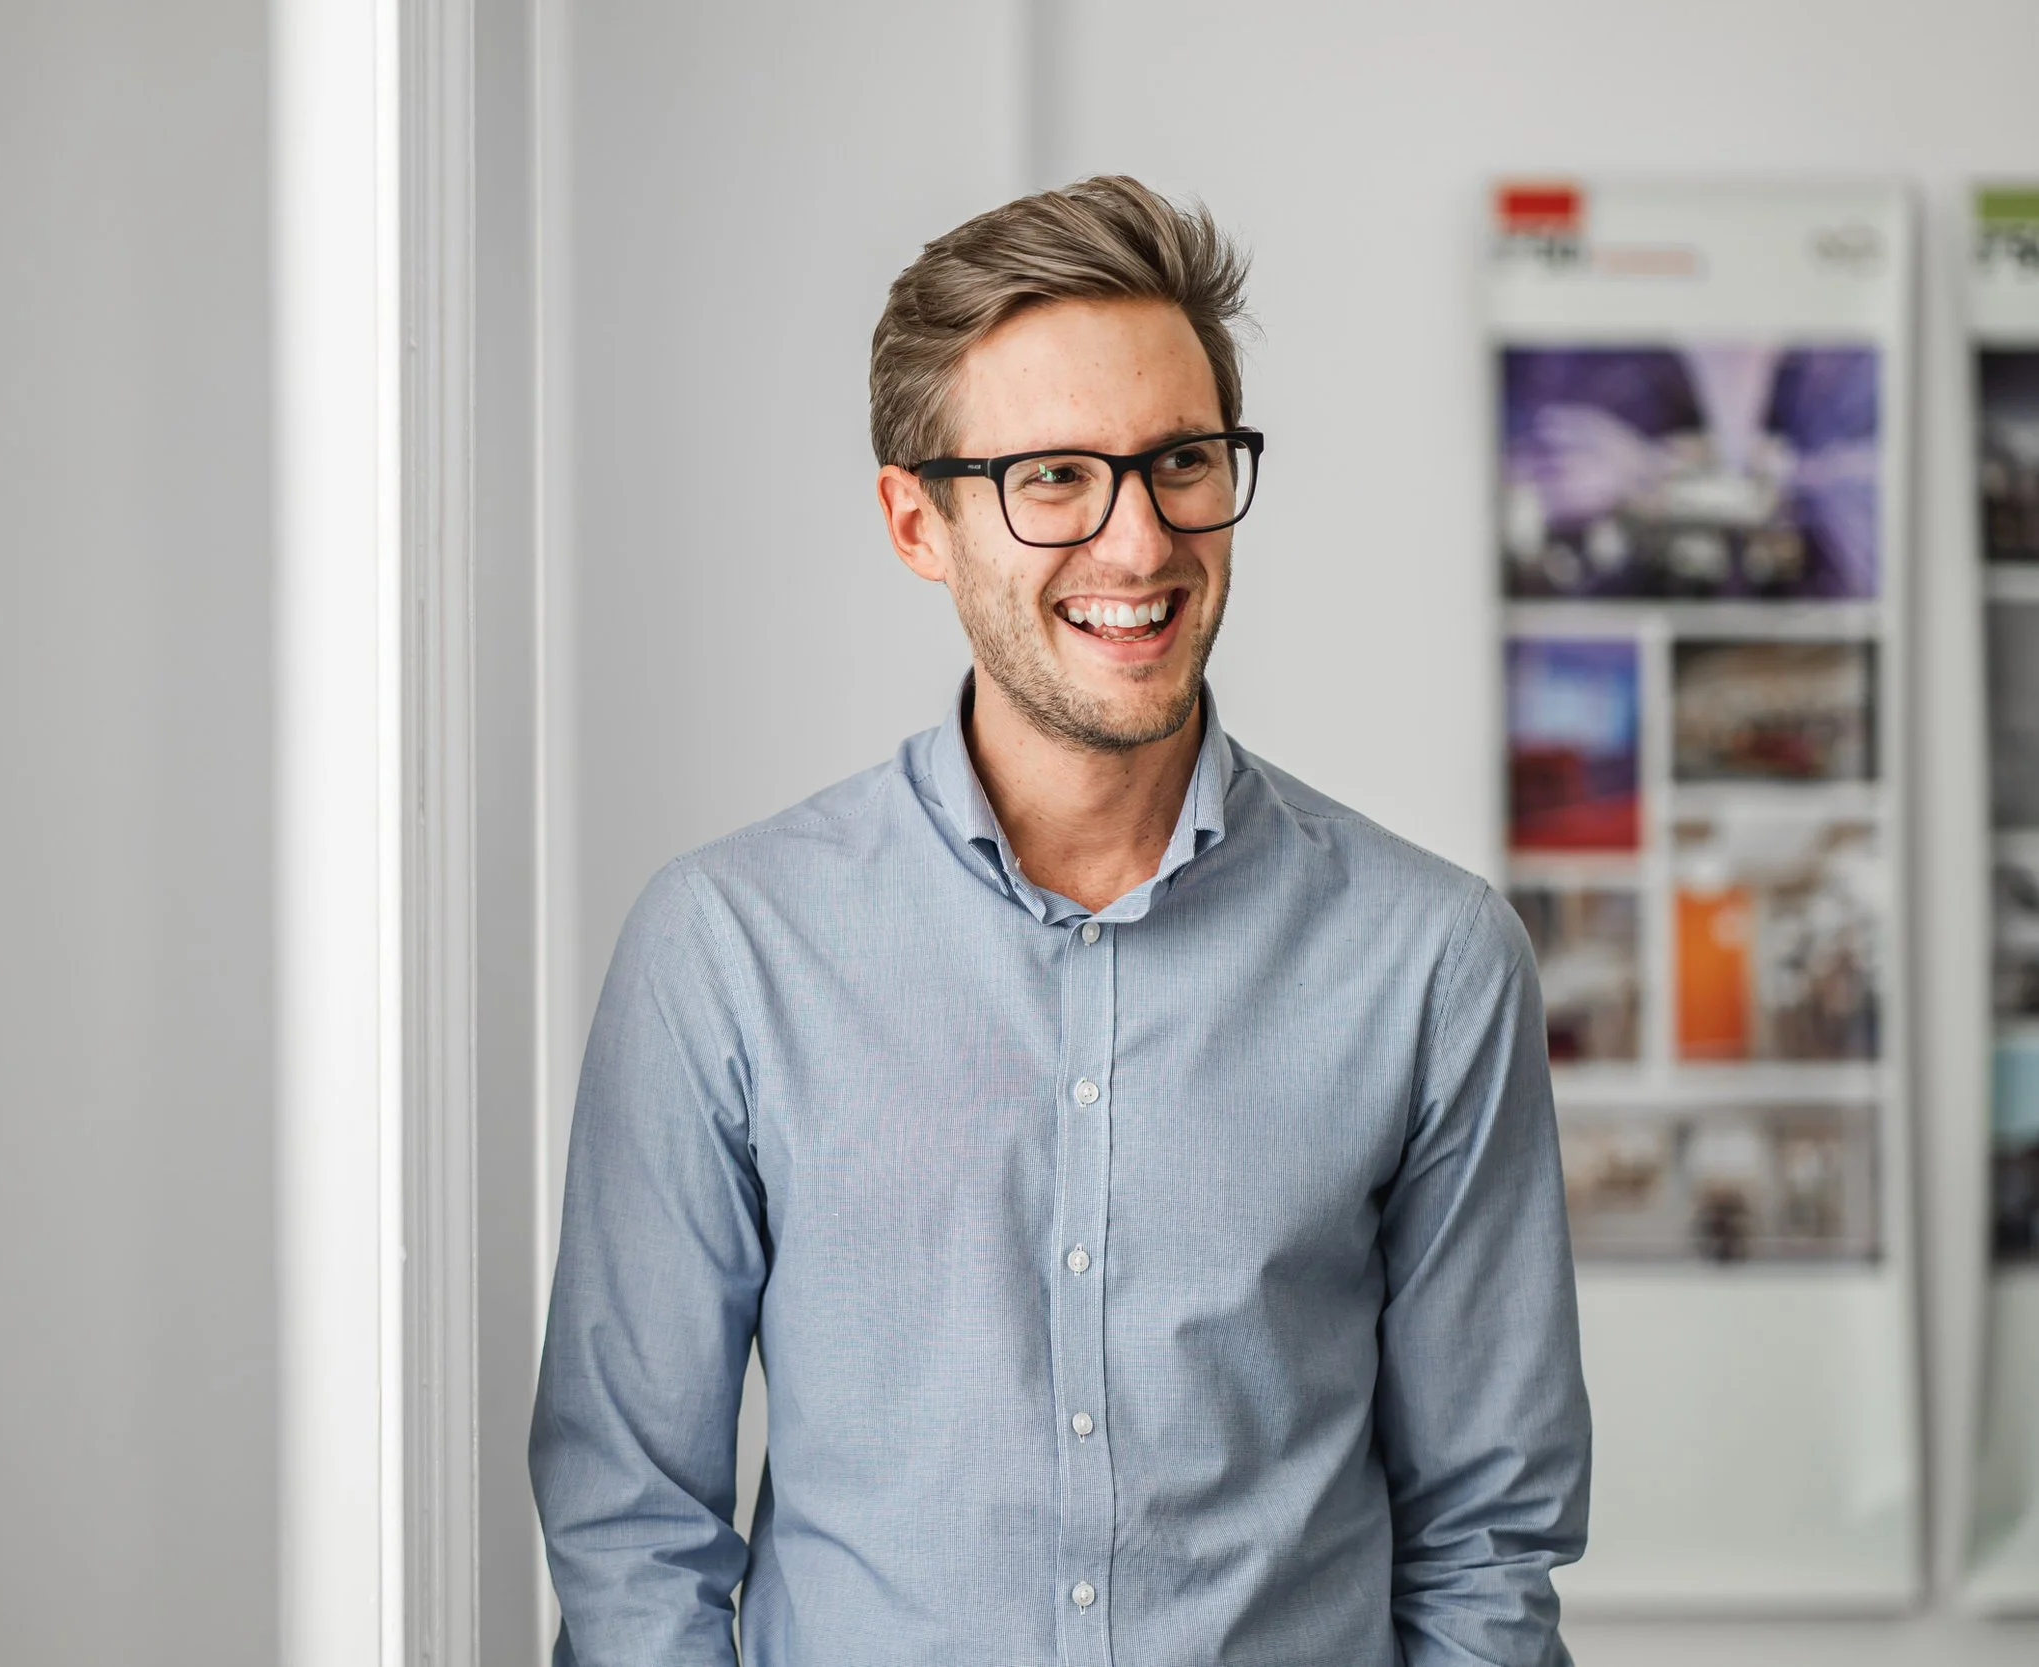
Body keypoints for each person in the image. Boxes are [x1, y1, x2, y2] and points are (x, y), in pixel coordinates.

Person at [531, 174, 1590, 1667]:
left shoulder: (1430, 963)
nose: (1140, 542)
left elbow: (1488, 1532)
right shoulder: (726, 950)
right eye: (1052, 478)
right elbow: (631, 1521)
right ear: (919, 519)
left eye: (1180, 460)